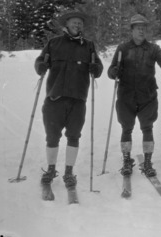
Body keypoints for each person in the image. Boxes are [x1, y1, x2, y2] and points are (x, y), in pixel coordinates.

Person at [35, 10, 104, 189]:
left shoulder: (88, 46)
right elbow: (40, 60)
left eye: (80, 23)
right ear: (66, 24)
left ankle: (68, 171)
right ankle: (50, 169)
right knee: (52, 136)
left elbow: (99, 67)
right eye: (74, 22)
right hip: (54, 98)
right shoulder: (54, 43)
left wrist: (96, 68)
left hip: (77, 99)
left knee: (74, 136)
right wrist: (40, 66)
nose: (77, 25)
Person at [108, 14, 161, 178]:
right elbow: (111, 70)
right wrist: (114, 72)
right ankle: (127, 160)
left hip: (147, 95)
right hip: (126, 95)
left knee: (147, 128)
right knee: (126, 128)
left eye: (144, 28)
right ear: (132, 30)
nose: (141, 31)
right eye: (138, 28)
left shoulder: (153, 49)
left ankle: (148, 162)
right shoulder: (123, 48)